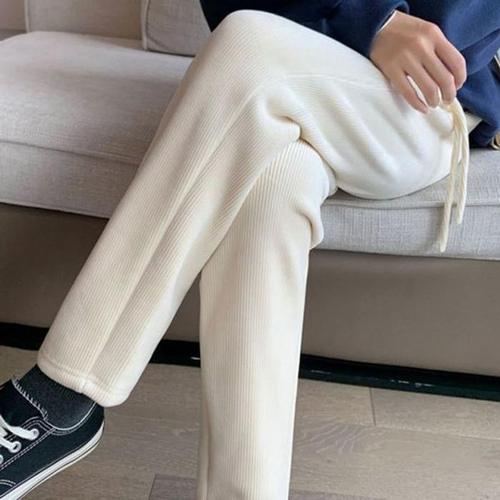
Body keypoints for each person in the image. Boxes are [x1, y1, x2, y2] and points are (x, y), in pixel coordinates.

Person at [0, 1, 498, 498]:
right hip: (293, 65)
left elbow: (454, 26)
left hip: (419, 100)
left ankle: (61, 397)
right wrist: (366, 18)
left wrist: (376, 22)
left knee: (249, 43)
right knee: (273, 185)